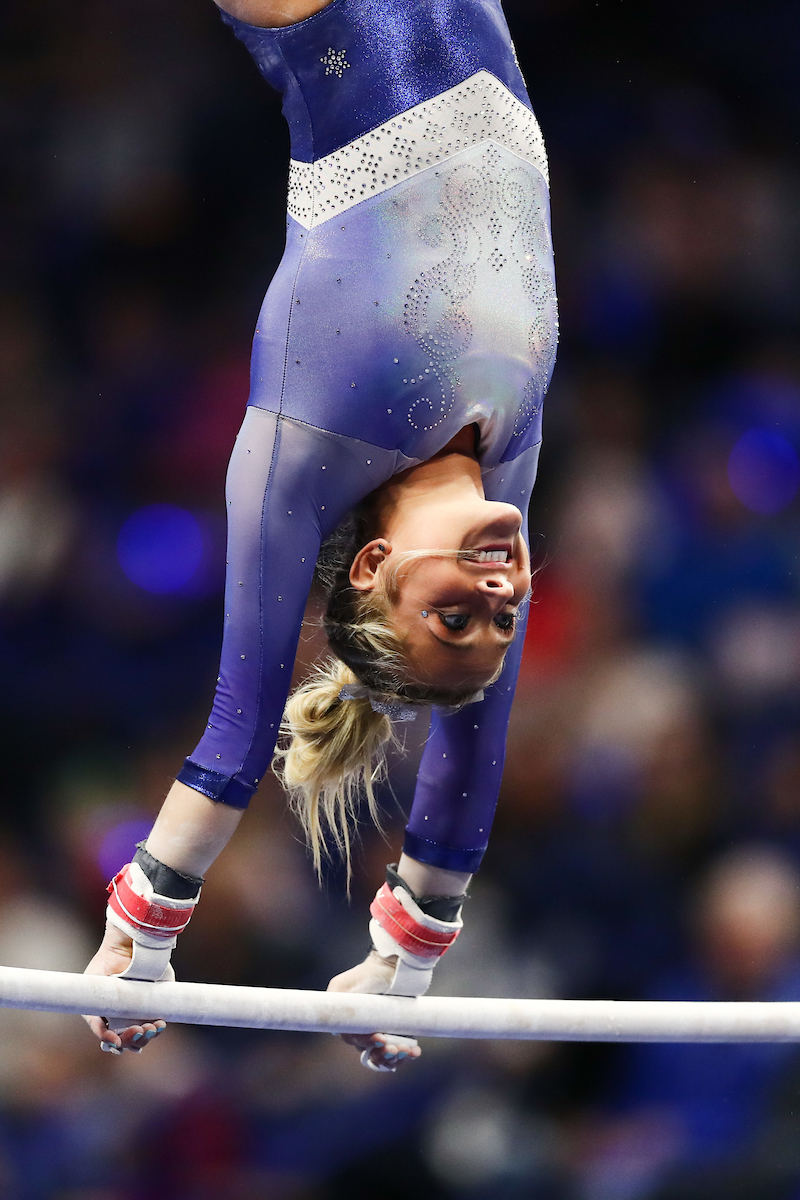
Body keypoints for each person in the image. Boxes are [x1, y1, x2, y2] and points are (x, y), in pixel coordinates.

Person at [83, 0, 557, 1071]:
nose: (498, 592)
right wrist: (413, 951)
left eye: (453, 615)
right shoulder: (509, 456)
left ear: (379, 569)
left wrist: (145, 934)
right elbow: (473, 755)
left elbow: (237, 734)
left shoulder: (306, 447)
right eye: (500, 619)